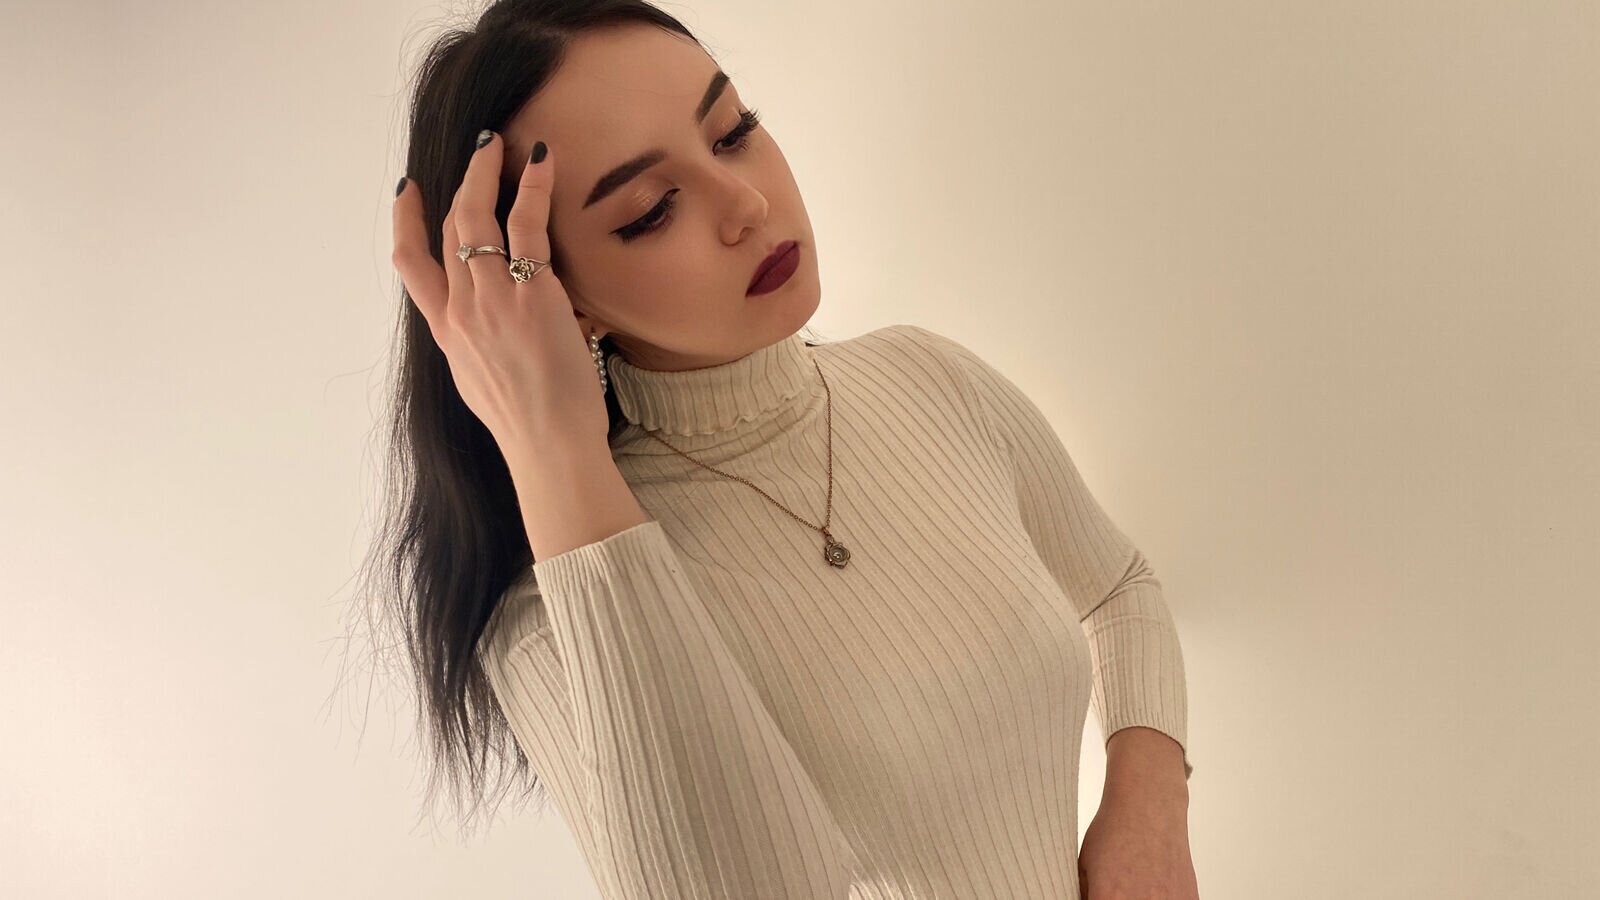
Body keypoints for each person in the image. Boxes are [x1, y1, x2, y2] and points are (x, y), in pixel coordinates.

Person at [378, 2, 1194, 897]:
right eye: (651, 211)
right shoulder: (551, 621)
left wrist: (1147, 809)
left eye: (733, 133)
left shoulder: (929, 378)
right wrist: (547, 445)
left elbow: (1117, 587)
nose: (748, 204)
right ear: (553, 298)